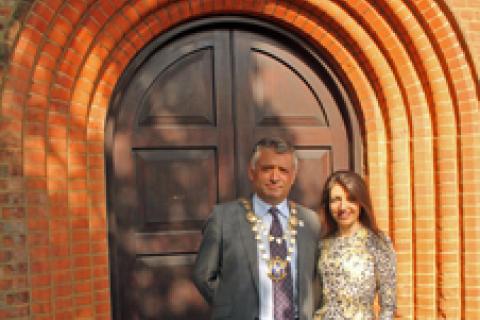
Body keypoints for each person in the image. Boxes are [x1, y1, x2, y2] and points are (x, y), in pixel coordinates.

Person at [193, 137, 321, 320]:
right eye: (267, 169)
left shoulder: (311, 221)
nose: (275, 177)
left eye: (283, 171)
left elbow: (316, 279)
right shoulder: (223, 218)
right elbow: (203, 275)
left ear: (293, 177)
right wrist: (232, 307)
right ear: (252, 172)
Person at [314, 170, 396, 320]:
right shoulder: (323, 244)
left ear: (361, 202)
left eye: (351, 199)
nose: (343, 207)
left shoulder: (377, 242)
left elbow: (388, 305)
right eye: (335, 200)